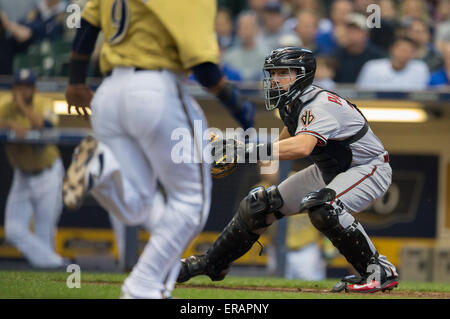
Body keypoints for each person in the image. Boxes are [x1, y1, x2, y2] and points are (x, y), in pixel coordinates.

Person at [62, 0, 255, 299]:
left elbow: (87, 25)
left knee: (139, 203)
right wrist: (238, 108)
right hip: (155, 87)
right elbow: (203, 67)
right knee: (191, 202)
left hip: (109, 94)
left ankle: (103, 168)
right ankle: (144, 285)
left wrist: (75, 80)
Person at [177, 47, 399, 293]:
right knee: (259, 205)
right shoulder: (292, 104)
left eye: (283, 73)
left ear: (302, 75)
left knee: (324, 207)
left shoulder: (318, 104)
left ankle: (379, 270)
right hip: (330, 170)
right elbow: (284, 144)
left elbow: (302, 148)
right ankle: (212, 263)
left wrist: (244, 150)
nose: (275, 79)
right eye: (273, 74)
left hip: (368, 167)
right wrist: (241, 151)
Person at [0, 69, 66, 269]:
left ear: (34, 89)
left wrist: (22, 107)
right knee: (12, 230)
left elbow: (46, 127)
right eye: (19, 87)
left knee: (44, 231)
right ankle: (58, 264)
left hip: (48, 174)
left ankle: (49, 274)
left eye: (27, 87)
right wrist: (9, 123)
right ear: (14, 89)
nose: (23, 91)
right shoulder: (5, 108)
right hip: (22, 175)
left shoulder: (45, 103)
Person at [356, 36, 430, 91]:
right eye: (403, 50)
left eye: (410, 51)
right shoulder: (372, 67)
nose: (406, 54)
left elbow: (420, 97)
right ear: (392, 49)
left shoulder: (420, 68)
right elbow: (363, 94)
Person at [333, 13, 385, 84]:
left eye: (356, 30)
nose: (352, 34)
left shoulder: (376, 55)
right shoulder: (337, 55)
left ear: (366, 34)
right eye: (349, 30)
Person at [222, 11, 268, 82]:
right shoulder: (228, 56)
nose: (245, 31)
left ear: (257, 29)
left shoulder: (266, 56)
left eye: (249, 27)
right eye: (242, 27)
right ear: (237, 30)